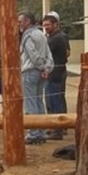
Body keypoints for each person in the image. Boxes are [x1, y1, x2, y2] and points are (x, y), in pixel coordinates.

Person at [19, 11, 53, 145]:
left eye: (20, 21)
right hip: (41, 71)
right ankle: (41, 131)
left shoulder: (27, 36)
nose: (18, 24)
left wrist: (41, 67)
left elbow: (32, 54)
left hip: (30, 71)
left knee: (31, 102)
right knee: (39, 101)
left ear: (28, 22)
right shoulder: (41, 34)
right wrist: (47, 68)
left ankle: (34, 133)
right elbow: (48, 53)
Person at [42, 12, 70, 140]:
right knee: (53, 101)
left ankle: (57, 130)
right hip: (54, 73)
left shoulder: (57, 38)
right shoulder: (53, 37)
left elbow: (43, 53)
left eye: (48, 25)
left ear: (56, 24)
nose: (46, 27)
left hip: (55, 75)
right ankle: (55, 127)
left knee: (55, 102)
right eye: (44, 25)